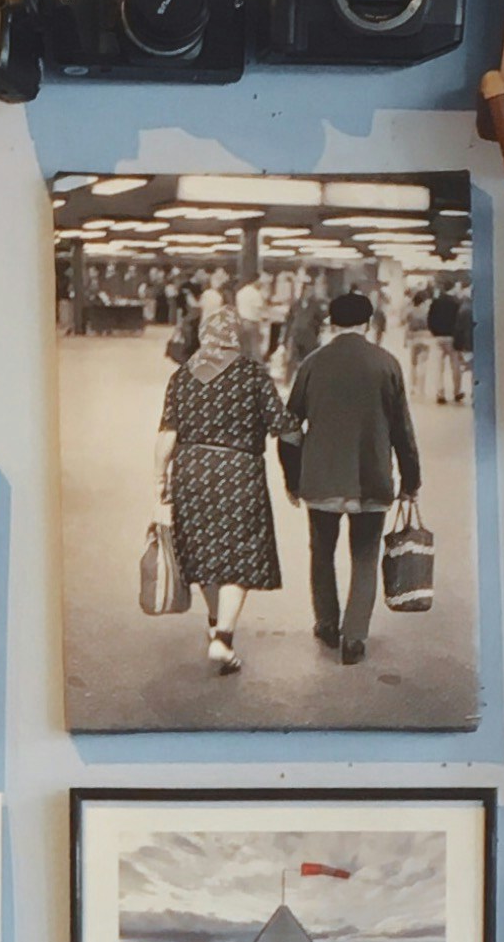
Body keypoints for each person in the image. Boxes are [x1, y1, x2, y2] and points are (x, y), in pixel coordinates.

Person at [280, 283, 422, 664]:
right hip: (371, 477)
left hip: (321, 478)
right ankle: (355, 637)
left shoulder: (311, 364)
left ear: (331, 322)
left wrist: (291, 479)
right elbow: (401, 431)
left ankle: (327, 624)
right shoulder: (386, 363)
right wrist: (411, 481)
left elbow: (289, 429)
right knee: (364, 556)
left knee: (321, 553)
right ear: (368, 322)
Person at [159, 280, 292, 676]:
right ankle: (224, 638)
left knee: (201, 550)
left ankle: (214, 621)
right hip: (239, 473)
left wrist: (158, 482)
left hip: (191, 472)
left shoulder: (183, 377)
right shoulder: (252, 374)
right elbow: (282, 425)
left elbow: (166, 435)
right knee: (239, 557)